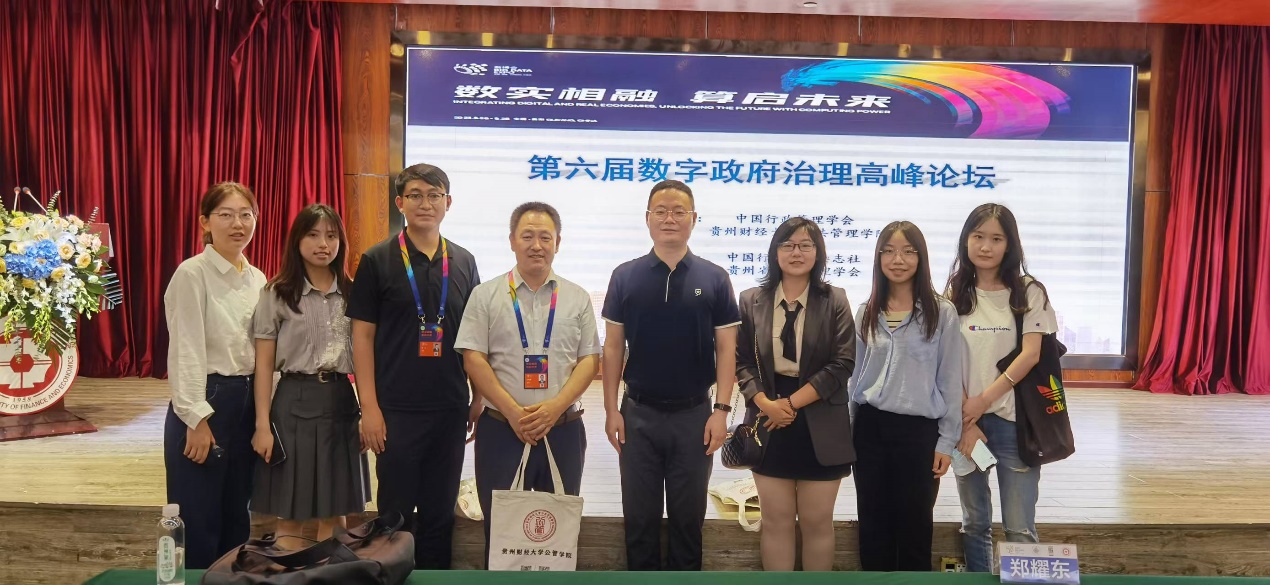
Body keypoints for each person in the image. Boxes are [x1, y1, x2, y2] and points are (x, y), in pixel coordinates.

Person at [346, 163, 481, 569]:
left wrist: (478, 397)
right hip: (395, 410)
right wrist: (369, 408)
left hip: (450, 408)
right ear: (400, 202)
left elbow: (474, 338)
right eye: (416, 195)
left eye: (434, 195)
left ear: (448, 203)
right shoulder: (377, 260)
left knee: (440, 514)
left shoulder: (464, 261)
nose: (426, 203)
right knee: (394, 515)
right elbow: (361, 337)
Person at [601, 179, 741, 571]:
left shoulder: (715, 277)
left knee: (688, 521)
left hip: (694, 416)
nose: (669, 218)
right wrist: (611, 410)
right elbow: (613, 347)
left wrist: (721, 411)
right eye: (661, 211)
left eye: (679, 211)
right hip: (638, 414)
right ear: (647, 218)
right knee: (639, 521)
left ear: (694, 219)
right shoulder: (625, 276)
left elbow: (727, 348)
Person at [455, 202, 600, 567]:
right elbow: (473, 358)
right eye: (528, 236)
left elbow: (589, 360)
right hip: (502, 430)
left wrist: (554, 408)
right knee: (501, 529)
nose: (537, 245)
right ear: (512, 241)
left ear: (558, 243)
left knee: (558, 527)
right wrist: (512, 411)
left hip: (562, 429)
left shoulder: (577, 297)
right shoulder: (485, 295)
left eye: (545, 237)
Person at [735, 217, 856, 571]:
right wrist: (765, 404)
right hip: (767, 417)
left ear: (818, 253)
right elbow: (742, 362)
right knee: (776, 521)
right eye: (787, 245)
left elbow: (842, 364)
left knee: (817, 523)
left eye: (805, 245)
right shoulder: (751, 300)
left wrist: (789, 404)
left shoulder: (835, 299)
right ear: (775, 252)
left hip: (820, 414)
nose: (796, 252)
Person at [249, 204, 369, 549]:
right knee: (291, 511)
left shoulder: (353, 292)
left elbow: (365, 359)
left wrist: (367, 412)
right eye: (313, 235)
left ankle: (330, 572)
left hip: (341, 402)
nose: (323, 244)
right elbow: (263, 366)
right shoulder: (277, 292)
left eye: (331, 236)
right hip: (293, 402)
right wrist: (262, 425)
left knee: (336, 511)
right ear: (297, 240)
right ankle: (289, 572)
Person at [946, 203, 1058, 573]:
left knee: (1019, 528)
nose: (985, 246)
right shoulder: (954, 292)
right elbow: (945, 360)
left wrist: (982, 401)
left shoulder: (1029, 291)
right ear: (966, 240)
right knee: (974, 523)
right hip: (966, 425)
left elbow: (1030, 355)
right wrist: (966, 418)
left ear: (1010, 245)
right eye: (978, 236)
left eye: (996, 239)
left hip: (1014, 423)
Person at [849, 221, 965, 571]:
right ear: (878, 258)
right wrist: (847, 434)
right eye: (888, 251)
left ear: (921, 257)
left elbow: (950, 379)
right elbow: (855, 378)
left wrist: (946, 442)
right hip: (869, 428)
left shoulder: (942, 313)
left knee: (915, 526)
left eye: (907, 251)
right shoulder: (867, 311)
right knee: (872, 523)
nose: (897, 260)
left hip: (918, 433)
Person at [163, 181, 266, 569]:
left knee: (237, 514)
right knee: (197, 517)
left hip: (246, 400)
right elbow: (185, 349)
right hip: (207, 398)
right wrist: (195, 418)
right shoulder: (192, 274)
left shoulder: (257, 278)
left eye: (246, 214)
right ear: (204, 222)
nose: (238, 224)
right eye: (226, 215)